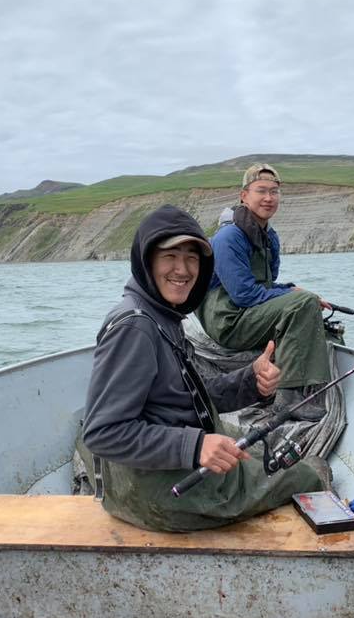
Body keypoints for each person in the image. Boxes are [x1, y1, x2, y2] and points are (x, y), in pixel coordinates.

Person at [80, 204, 328, 532]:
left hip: (155, 473)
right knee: (311, 472)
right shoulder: (135, 328)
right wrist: (195, 447)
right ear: (146, 260)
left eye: (192, 258)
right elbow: (102, 433)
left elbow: (185, 395)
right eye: (170, 256)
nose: (183, 269)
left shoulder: (160, 314)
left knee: (264, 450)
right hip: (160, 495)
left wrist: (251, 381)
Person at [196, 164, 332, 420]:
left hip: (248, 312)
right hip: (228, 320)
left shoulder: (270, 237)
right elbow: (244, 295)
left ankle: (312, 385)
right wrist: (296, 298)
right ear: (244, 196)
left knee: (309, 307)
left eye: (274, 191)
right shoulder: (229, 237)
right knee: (302, 303)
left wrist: (292, 290)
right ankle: (288, 398)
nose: (269, 198)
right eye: (261, 191)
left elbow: (266, 287)